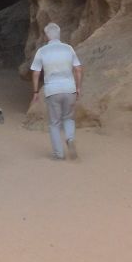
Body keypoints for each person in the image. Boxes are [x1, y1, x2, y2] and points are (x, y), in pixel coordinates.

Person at [30, 20, 82, 160]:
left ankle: (59, 154)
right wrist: (78, 87)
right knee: (69, 118)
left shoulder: (42, 51)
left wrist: (35, 92)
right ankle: (70, 138)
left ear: (47, 36)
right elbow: (77, 69)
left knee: (54, 123)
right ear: (59, 35)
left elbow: (35, 72)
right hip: (69, 88)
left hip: (52, 90)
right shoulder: (69, 48)